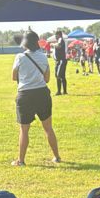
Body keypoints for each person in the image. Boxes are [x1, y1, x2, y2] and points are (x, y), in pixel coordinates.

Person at [11, 29, 63, 167]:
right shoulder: (43, 57)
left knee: (24, 130)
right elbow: (46, 79)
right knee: (48, 128)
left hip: (25, 95)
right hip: (42, 94)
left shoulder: (19, 57)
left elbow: (13, 77)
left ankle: (21, 160)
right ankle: (57, 156)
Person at [52, 30, 68, 96]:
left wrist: (53, 44)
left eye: (56, 35)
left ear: (58, 35)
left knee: (58, 75)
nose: (55, 36)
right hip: (59, 61)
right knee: (62, 76)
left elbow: (58, 46)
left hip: (61, 61)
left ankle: (59, 91)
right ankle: (64, 91)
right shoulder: (59, 40)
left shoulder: (60, 39)